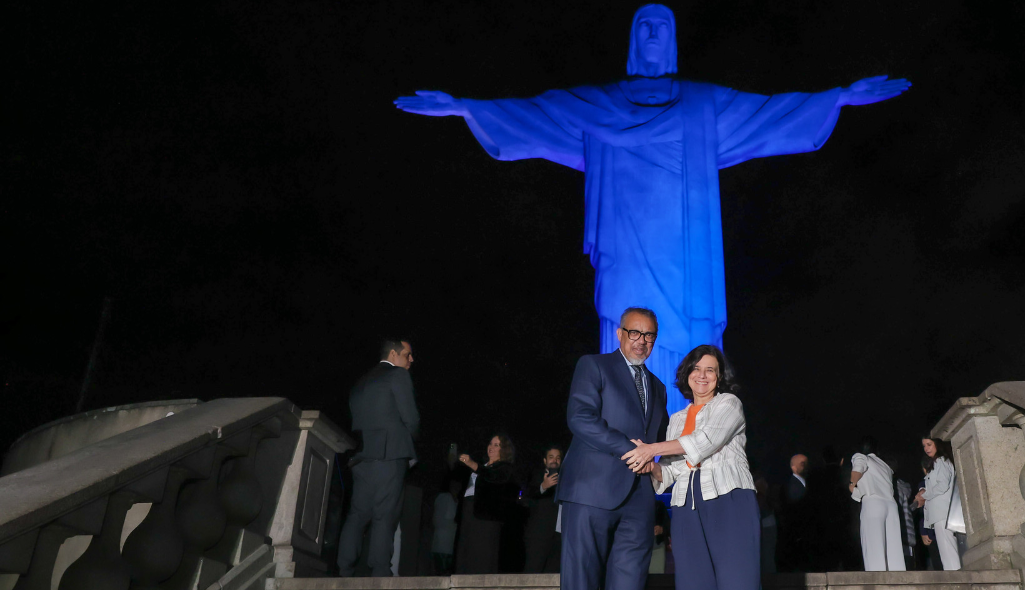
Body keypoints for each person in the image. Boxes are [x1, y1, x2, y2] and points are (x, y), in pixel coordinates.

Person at [393, 5, 911, 394]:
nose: (653, 33)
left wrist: (837, 97)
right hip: (625, 250)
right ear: (632, 41)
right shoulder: (600, 104)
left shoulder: (702, 104)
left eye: (663, 26)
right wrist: (465, 108)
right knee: (625, 337)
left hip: (684, 255)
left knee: (687, 339)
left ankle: (690, 437)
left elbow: (770, 115)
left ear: (675, 42)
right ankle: (625, 436)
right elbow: (535, 116)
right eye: (644, 25)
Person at [624, 344, 759, 590]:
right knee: (692, 582)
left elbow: (705, 441)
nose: (702, 375)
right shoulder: (676, 419)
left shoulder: (729, 404)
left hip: (729, 498)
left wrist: (651, 449)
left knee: (738, 581)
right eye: (696, 368)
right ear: (687, 373)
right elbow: (669, 471)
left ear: (719, 378)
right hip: (685, 507)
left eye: (711, 370)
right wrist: (647, 465)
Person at [558, 307, 669, 590]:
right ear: (619, 334)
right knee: (582, 582)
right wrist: (633, 451)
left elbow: (664, 435)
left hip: (640, 501)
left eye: (649, 335)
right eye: (635, 332)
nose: (641, 340)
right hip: (590, 491)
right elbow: (580, 417)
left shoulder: (658, 387)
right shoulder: (593, 365)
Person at [338, 338, 420, 577]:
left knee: (357, 515)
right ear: (393, 354)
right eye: (408, 355)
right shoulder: (398, 376)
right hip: (390, 456)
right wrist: (411, 438)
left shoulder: (360, 382)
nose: (411, 360)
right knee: (385, 515)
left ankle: (344, 568)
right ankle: (380, 571)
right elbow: (411, 418)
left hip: (363, 458)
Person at [456, 434, 519, 574]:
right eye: (491, 443)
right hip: (469, 511)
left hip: (486, 518)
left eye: (497, 445)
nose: (491, 447)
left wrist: (473, 464)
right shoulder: (483, 465)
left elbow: (493, 476)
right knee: (465, 550)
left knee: (481, 555)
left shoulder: (504, 467)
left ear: (505, 450)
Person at [848, 437, 905, 571]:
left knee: (874, 547)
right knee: (893, 549)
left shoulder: (861, 456)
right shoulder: (885, 465)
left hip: (873, 502)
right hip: (891, 505)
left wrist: (852, 484)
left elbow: (858, 467)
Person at [915, 437, 960, 570]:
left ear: (938, 445)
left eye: (929, 444)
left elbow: (942, 485)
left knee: (947, 548)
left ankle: (955, 578)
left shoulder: (941, 460)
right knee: (947, 548)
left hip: (942, 512)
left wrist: (924, 495)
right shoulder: (941, 461)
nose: (926, 448)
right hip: (941, 512)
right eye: (924, 446)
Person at [524, 445, 564, 573]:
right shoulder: (537, 476)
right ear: (545, 461)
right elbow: (528, 496)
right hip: (539, 535)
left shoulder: (567, 478)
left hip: (561, 533)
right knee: (534, 570)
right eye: (551, 457)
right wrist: (543, 486)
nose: (554, 460)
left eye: (558, 458)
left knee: (554, 573)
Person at [778, 453, 811, 572]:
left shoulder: (807, 484)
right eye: (803, 464)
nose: (806, 466)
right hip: (798, 532)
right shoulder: (791, 486)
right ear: (793, 467)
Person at [431, 479, 460, 574]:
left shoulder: (440, 497)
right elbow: (450, 518)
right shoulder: (448, 498)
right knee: (444, 570)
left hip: (439, 542)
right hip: (446, 544)